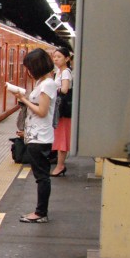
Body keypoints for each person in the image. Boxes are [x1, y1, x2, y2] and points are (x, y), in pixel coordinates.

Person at [10, 48, 57, 223]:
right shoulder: (42, 83)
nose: (28, 71)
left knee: (42, 177)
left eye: (29, 67)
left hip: (41, 138)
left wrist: (25, 100)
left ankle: (40, 213)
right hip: (37, 135)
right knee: (41, 176)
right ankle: (40, 212)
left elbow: (42, 111)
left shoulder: (47, 84)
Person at [50, 47, 73, 176]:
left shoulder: (65, 72)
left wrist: (52, 89)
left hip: (63, 110)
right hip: (60, 109)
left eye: (59, 57)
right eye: (54, 57)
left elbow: (64, 89)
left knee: (62, 137)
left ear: (67, 58)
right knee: (59, 137)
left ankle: (60, 166)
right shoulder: (59, 71)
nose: (56, 59)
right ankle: (59, 164)